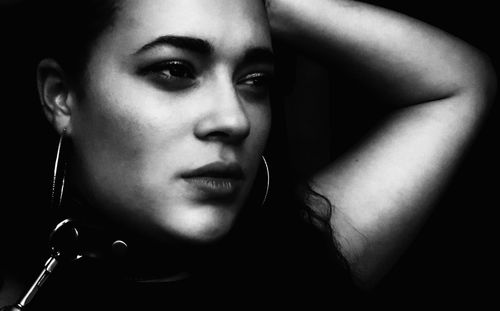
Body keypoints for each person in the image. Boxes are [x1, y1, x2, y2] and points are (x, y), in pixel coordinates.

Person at [0, 0, 495, 309]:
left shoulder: (300, 271)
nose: (235, 119)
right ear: (61, 96)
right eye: (175, 70)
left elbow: (456, 83)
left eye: (255, 79)